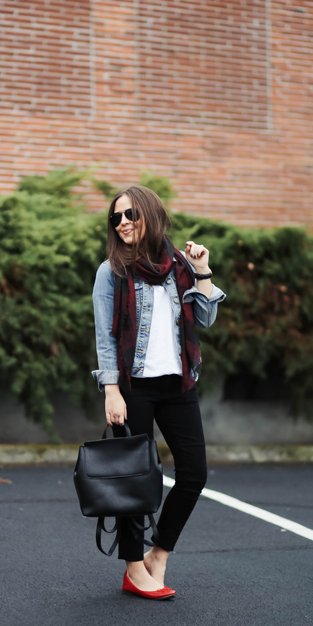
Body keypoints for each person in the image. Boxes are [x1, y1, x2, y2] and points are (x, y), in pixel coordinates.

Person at [92, 186, 226, 599]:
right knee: (136, 480)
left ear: (150, 213)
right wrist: (111, 391)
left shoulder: (180, 265)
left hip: (178, 384)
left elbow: (205, 318)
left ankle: (159, 555)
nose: (123, 222)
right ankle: (133, 568)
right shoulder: (111, 271)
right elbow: (105, 337)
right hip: (134, 389)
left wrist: (202, 271)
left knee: (193, 474)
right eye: (116, 218)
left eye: (130, 213)